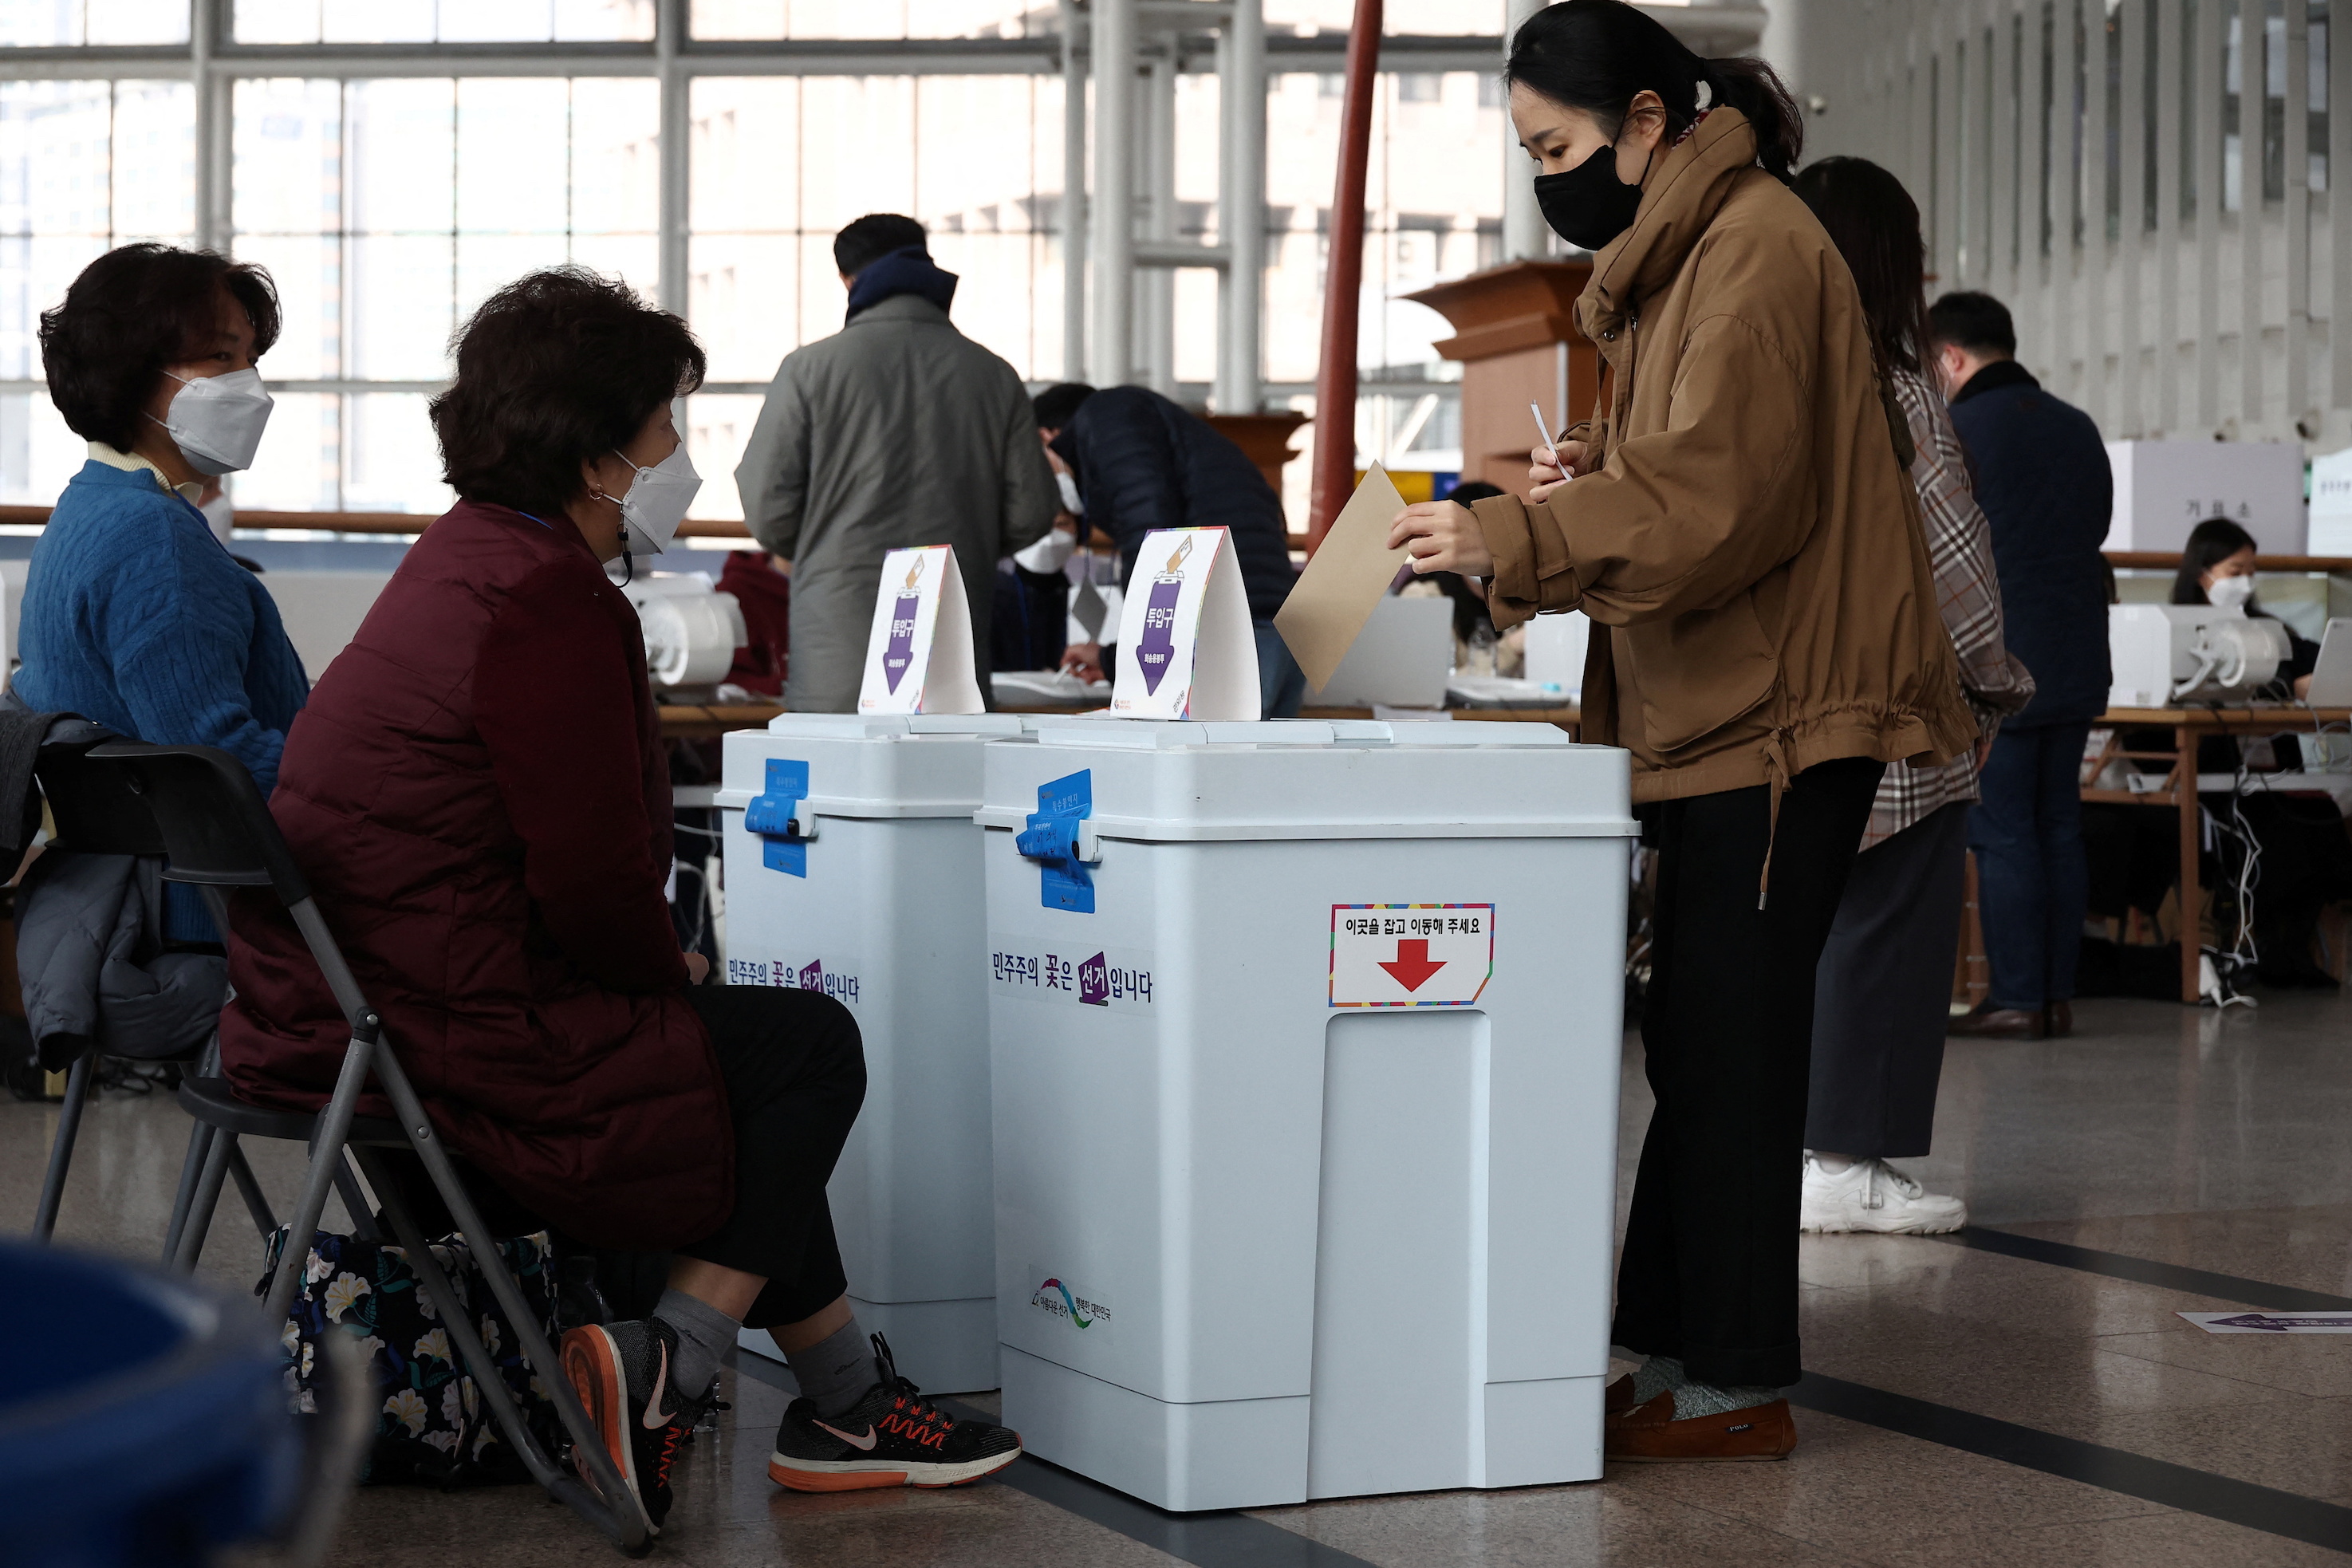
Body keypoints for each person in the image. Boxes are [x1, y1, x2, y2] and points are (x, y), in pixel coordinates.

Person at [218, 269, 1022, 1536]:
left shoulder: (462, 563)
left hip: (341, 1005)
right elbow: (595, 885)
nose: (678, 460)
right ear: (596, 457)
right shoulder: (546, 599)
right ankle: (677, 1367)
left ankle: (841, 1399)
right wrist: (670, 969)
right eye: (665, 431)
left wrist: (663, 975)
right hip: (435, 1025)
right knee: (802, 1047)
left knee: (734, 1060)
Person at [1388, 0, 1973, 1462]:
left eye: (1557, 144)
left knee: (1733, 1039)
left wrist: (1512, 537)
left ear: (1646, 122)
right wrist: (1598, 470)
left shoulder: (1754, 251)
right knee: (1699, 1035)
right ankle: (1667, 1350)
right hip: (1725, 708)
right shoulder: (1691, 259)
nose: (1548, 173)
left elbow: (1721, 499)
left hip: (1777, 713)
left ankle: (1727, 1378)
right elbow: (1712, 464)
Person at [1788, 159, 2036, 1235]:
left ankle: (1793, 1150)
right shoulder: (1895, 392)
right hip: (1892, 707)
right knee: (1884, 935)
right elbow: (1957, 571)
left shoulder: (1758, 376)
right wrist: (1992, 690)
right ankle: (1846, 1161)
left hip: (1773, 715)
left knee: (1802, 936)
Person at [14, 242, 308, 944]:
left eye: (252, 359)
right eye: (221, 359)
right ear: (136, 375)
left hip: (115, 899)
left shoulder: (88, 505)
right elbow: (215, 768)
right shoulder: (157, 538)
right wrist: (363, 778)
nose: (253, 385)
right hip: (201, 916)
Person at [734, 214, 1058, 711]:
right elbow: (1032, 511)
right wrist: (972, 540)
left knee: (837, 780)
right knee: (949, 779)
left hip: (839, 640)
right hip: (952, 632)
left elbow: (767, 507)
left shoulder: (809, 369)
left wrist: (827, 547)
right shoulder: (994, 375)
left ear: (847, 280)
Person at [1930, 290, 2113, 1041]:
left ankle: (2013, 998)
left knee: (2002, 831)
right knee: (2058, 825)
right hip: (2076, 653)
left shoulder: (1958, 429)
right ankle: (2054, 996)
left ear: (1950, 358)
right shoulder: (2078, 428)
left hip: (1998, 657)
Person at [2152, 518, 2350, 987]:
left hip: (2275, 775)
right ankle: (2261, 947)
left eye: (2252, 570)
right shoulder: (2174, 633)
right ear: (2203, 573)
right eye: (2235, 569)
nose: (2246, 581)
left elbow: (2310, 666)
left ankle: (2291, 948)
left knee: (2319, 819)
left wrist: (2314, 681)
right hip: (2216, 778)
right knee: (2272, 830)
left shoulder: (2270, 629)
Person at [1032, 381, 1304, 718]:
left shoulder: (1108, 415)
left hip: (1224, 642)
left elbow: (1154, 539)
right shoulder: (1177, 435)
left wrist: (1131, 654)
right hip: (1273, 632)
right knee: (1252, 767)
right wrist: (1111, 659)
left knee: (1197, 766)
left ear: (1045, 437)